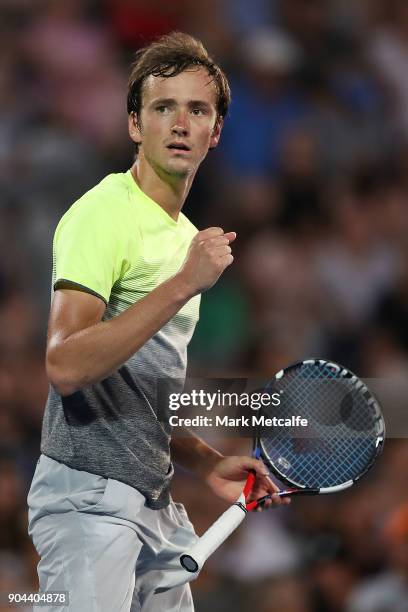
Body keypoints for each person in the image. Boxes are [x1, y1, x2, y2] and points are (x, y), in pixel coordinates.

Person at [27, 31, 288, 612]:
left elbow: (137, 391)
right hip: (89, 503)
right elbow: (65, 365)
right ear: (134, 125)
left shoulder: (186, 240)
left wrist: (205, 460)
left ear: (215, 132)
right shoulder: (102, 214)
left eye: (197, 109)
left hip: (155, 505)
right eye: (162, 107)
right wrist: (182, 286)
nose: (179, 122)